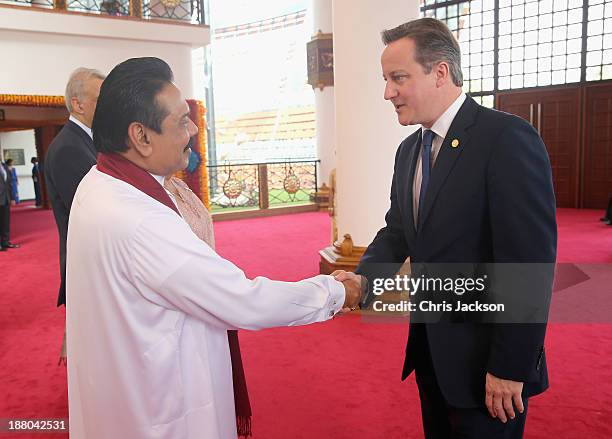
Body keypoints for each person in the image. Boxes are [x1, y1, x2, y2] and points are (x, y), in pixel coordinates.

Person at [65, 57, 362, 439]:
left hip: (125, 389)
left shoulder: (99, 182)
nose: (192, 129)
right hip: (161, 408)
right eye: (180, 121)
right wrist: (337, 291)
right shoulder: (139, 220)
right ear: (140, 136)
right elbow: (243, 300)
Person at [334, 18, 557, 439]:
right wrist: (364, 281)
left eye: (398, 77)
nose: (387, 92)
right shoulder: (408, 151)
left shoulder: (506, 139)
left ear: (440, 72)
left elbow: (529, 263)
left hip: (489, 368)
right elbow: (398, 231)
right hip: (433, 357)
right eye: (385, 79)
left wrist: (510, 367)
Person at [45, 67, 105, 307]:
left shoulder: (86, 140)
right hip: (88, 267)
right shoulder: (68, 148)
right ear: (78, 105)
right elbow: (93, 213)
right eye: (101, 100)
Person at [0, 159, 19, 251]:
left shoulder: (4, 166)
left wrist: (12, 197)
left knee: (5, 222)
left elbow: (9, 184)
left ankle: (5, 242)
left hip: (6, 198)